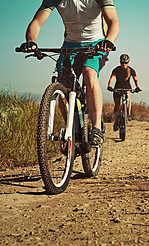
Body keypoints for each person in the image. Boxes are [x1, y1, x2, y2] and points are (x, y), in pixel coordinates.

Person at [18, 0, 120, 146]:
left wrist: (108, 41)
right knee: (63, 83)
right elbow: (36, 22)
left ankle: (97, 127)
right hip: (70, 45)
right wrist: (31, 41)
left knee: (89, 73)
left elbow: (114, 22)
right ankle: (71, 130)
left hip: (96, 44)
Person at [107, 54, 141, 131]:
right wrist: (109, 86)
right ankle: (115, 121)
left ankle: (128, 114)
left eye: (125, 63)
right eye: (122, 63)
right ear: (120, 62)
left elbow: (135, 79)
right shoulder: (116, 70)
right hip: (117, 88)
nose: (124, 64)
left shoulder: (131, 70)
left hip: (127, 88)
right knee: (117, 105)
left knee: (128, 98)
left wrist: (137, 87)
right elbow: (112, 78)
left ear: (128, 62)